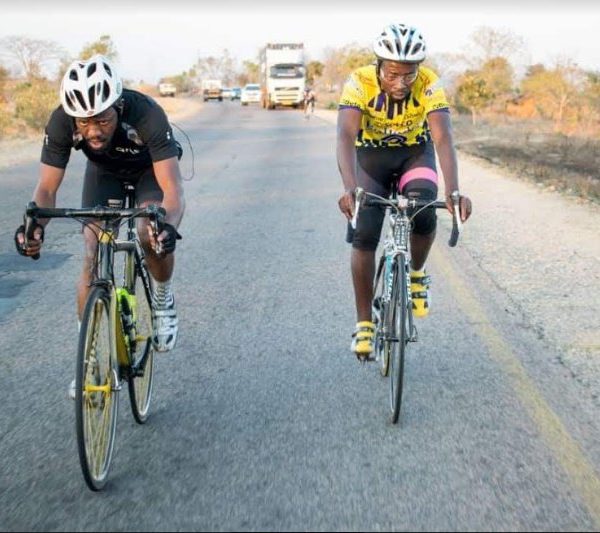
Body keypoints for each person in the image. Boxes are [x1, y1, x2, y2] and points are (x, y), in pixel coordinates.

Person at [15, 55, 185, 366]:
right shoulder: (62, 121)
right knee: (92, 249)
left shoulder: (146, 114)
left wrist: (168, 225)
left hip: (150, 171)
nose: (93, 131)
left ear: (117, 106)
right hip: (105, 174)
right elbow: (47, 188)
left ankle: (162, 297)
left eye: (103, 120)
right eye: (84, 122)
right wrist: (35, 226)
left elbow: (173, 190)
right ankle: (91, 360)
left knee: (149, 232)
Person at [336, 23, 472, 358]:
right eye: (393, 74)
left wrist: (454, 191)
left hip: (415, 153)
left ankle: (417, 274)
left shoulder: (429, 83)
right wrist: (350, 188)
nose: (400, 83)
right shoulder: (359, 81)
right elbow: (345, 135)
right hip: (371, 158)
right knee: (364, 232)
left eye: (409, 74)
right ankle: (364, 323)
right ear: (379, 65)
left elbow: (443, 137)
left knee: (424, 209)